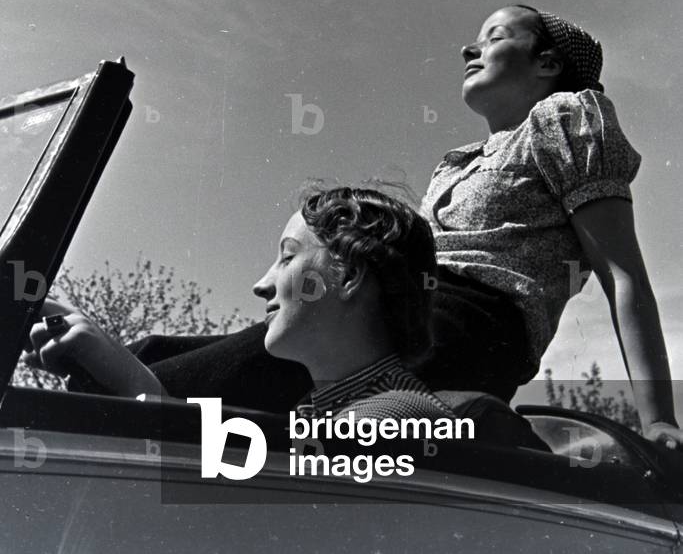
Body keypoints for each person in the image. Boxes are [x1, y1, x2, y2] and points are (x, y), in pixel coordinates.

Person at [25, 186, 542, 447]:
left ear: (352, 274)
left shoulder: (394, 415)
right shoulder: (335, 412)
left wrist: (116, 365)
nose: (262, 283)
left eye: (288, 256)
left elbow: (219, 464)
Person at [416, 4, 682, 450]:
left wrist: (660, 421)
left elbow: (622, 273)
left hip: (475, 321)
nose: (469, 49)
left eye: (495, 37)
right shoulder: (455, 163)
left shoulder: (563, 117)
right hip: (408, 307)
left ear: (548, 63)